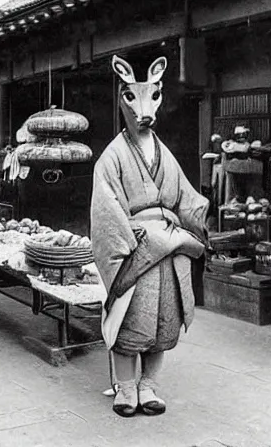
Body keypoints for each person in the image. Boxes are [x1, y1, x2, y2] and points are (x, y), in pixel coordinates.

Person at [91, 55, 209, 418]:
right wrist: (130, 243)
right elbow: (106, 206)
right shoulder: (111, 157)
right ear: (123, 100)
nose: (142, 109)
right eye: (132, 99)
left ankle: (149, 386)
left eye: (152, 97)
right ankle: (126, 388)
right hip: (137, 247)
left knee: (163, 322)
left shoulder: (164, 153)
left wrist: (197, 220)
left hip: (171, 245)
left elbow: (185, 196)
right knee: (132, 321)